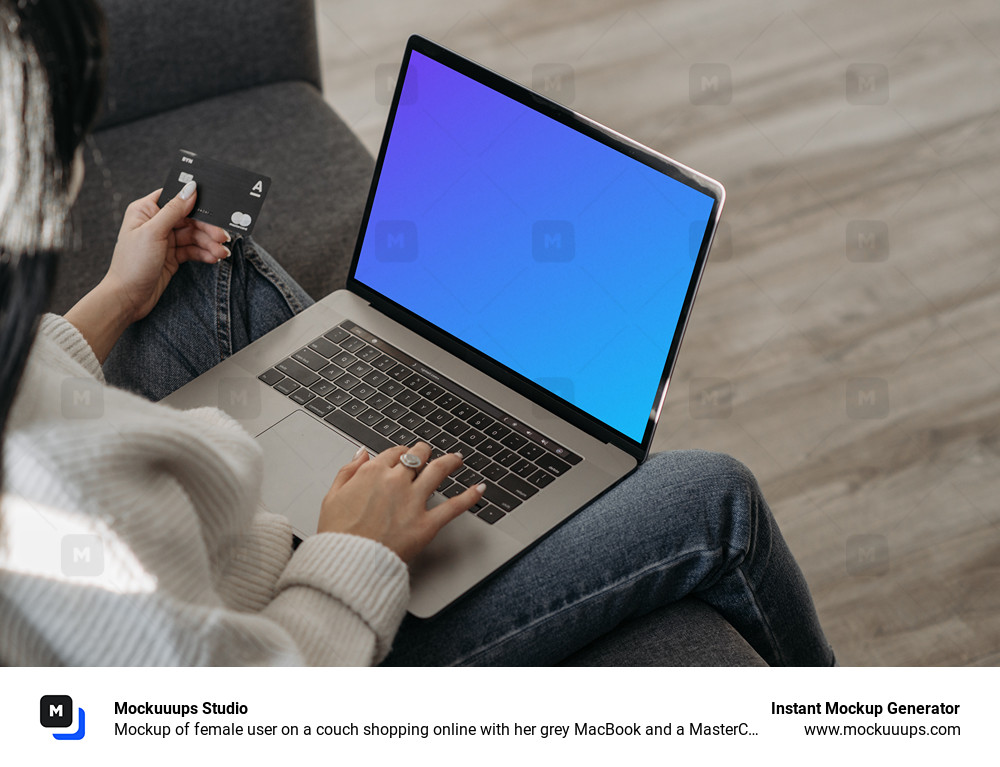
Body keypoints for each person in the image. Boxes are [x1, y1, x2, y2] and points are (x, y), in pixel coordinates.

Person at [0, 0, 834, 666]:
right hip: (313, 626)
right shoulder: (58, 524)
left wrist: (111, 298)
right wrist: (353, 551)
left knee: (204, 275)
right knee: (716, 494)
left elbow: (23, 389)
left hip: (228, 539)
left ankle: (382, 391)